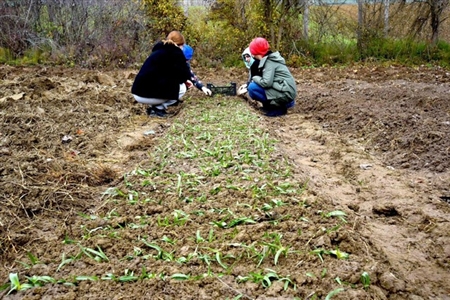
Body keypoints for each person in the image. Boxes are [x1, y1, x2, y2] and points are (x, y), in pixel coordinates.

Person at [131, 30, 192, 117]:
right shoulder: (176, 53)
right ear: (180, 44)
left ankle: (153, 109)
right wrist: (186, 81)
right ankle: (158, 109)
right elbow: (184, 76)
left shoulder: (158, 51)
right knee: (182, 88)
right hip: (147, 95)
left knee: (163, 83)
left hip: (137, 92)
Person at [246, 37, 297, 117]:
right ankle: (276, 105)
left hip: (286, 92)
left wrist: (254, 78)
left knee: (252, 88)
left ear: (256, 52)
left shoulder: (269, 62)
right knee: (256, 86)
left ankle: (278, 108)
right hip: (285, 90)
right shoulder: (270, 59)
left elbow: (266, 83)